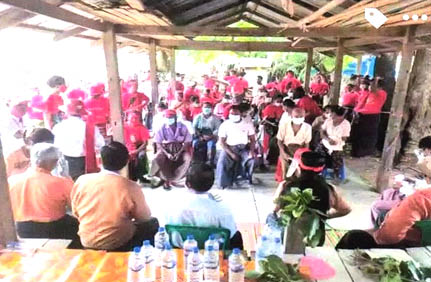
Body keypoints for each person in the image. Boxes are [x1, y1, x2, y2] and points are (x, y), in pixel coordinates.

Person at [72, 142, 158, 251]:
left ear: (99, 161)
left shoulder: (82, 181)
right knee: (152, 223)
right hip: (118, 242)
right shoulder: (130, 187)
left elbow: (76, 212)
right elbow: (143, 217)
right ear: (126, 162)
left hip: (86, 239)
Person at [271, 151, 351, 245]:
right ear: (321, 169)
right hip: (315, 238)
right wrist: (324, 216)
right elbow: (345, 209)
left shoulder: (286, 186)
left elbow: (274, 208)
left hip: (290, 236)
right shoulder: (329, 190)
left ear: (300, 166)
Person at [8, 143, 79, 242]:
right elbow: (76, 206)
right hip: (54, 229)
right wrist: (67, 177)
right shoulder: (61, 182)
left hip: (22, 229)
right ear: (53, 162)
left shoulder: (12, 181)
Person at [166, 164, 244, 249]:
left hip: (180, 249)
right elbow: (231, 233)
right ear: (211, 183)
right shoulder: (222, 209)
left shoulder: (172, 204)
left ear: (187, 184)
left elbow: (167, 229)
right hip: (213, 252)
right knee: (236, 236)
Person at [336, 188, 431, 249]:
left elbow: (390, 236)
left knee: (353, 237)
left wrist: (377, 236)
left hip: (412, 248)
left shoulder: (422, 199)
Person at [53, 100, 105, 180]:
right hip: (85, 163)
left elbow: (56, 146)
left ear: (67, 112)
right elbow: (101, 144)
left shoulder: (58, 127)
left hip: (65, 162)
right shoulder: (91, 127)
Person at [150, 110, 193, 190]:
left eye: (171, 118)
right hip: (165, 149)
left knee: (188, 158)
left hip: (180, 149)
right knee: (157, 159)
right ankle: (162, 179)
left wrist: (179, 153)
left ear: (175, 118)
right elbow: (158, 143)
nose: (169, 119)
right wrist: (167, 154)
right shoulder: (162, 127)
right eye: (167, 118)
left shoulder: (183, 127)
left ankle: (179, 179)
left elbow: (187, 142)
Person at [216, 105, 256, 189]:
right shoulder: (225, 125)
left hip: (244, 148)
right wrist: (231, 154)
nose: (233, 116)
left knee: (251, 160)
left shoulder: (247, 124)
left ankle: (245, 178)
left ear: (240, 114)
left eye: (235, 114)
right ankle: (223, 184)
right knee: (222, 162)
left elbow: (252, 139)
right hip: (229, 148)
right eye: (231, 114)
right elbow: (222, 141)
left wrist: (252, 151)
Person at [351, 78, 387, 157]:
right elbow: (361, 103)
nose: (370, 86)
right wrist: (356, 110)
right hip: (362, 115)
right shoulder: (368, 93)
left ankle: (366, 151)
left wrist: (376, 80)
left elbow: (374, 89)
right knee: (359, 134)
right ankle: (357, 151)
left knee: (368, 134)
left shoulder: (382, 93)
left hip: (372, 116)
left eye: (372, 85)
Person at [276, 107, 312, 182]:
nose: (298, 118)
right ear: (291, 116)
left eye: (301, 116)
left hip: (300, 150)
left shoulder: (307, 127)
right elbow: (279, 140)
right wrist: (283, 153)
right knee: (286, 172)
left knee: (298, 172)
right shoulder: (284, 125)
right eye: (296, 116)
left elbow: (307, 143)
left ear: (304, 116)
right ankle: (286, 186)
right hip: (286, 148)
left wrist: (304, 155)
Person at [318, 106, 351, 184]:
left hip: (337, 145)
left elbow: (344, 138)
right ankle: (320, 173)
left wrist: (336, 140)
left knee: (337, 160)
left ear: (341, 116)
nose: (332, 117)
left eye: (335, 115)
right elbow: (322, 132)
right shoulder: (328, 121)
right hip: (326, 142)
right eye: (332, 114)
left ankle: (337, 176)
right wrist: (328, 139)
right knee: (319, 156)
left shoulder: (346, 124)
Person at [124, 111, 150, 182]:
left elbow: (145, 143)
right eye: (132, 118)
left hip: (139, 147)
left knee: (141, 156)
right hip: (126, 147)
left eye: (136, 118)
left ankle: (141, 176)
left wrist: (137, 151)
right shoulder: (123, 126)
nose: (134, 120)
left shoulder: (142, 127)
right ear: (128, 118)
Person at [192, 102, 222, 166]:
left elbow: (218, 129)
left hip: (212, 136)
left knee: (210, 145)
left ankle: (209, 162)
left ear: (211, 109)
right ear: (202, 108)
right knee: (195, 143)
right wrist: (200, 136)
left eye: (208, 107)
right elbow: (194, 128)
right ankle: (195, 161)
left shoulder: (216, 118)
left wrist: (211, 136)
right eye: (205, 107)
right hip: (200, 136)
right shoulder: (198, 117)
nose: (207, 109)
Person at [261, 94, 284, 164]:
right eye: (278, 101)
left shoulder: (282, 108)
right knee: (271, 143)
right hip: (271, 129)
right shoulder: (269, 108)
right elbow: (265, 119)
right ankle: (270, 158)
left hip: (280, 127)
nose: (279, 103)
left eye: (281, 101)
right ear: (274, 101)